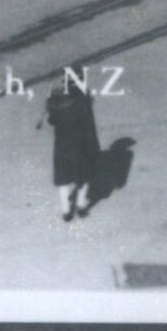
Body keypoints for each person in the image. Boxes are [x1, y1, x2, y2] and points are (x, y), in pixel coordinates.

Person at [43, 66, 100, 222]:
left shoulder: (56, 100)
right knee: (83, 177)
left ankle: (66, 211)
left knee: (63, 178)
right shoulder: (84, 101)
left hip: (62, 146)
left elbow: (51, 121)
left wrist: (49, 103)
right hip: (81, 145)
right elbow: (89, 126)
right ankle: (81, 206)